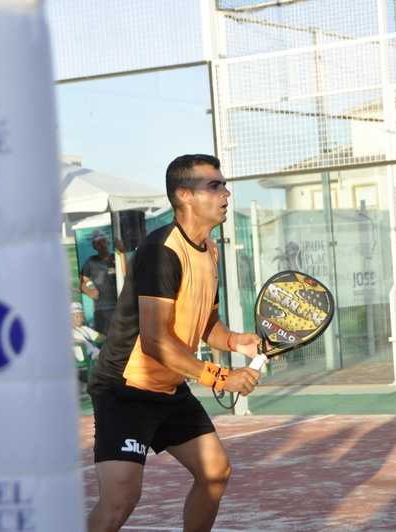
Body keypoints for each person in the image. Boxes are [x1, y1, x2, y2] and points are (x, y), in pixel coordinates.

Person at [87, 154, 261, 532]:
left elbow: (205, 320)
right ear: (184, 195)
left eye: (224, 184)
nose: (226, 193)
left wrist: (233, 340)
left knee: (215, 472)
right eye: (214, 186)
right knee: (120, 502)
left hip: (168, 387)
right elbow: (154, 341)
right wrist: (220, 377)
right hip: (125, 389)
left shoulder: (209, 249)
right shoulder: (160, 251)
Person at [80, 230, 118, 334]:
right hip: (101, 309)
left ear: (108, 242)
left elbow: (126, 274)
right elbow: (83, 282)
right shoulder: (90, 261)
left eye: (103, 241)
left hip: (119, 306)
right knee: (104, 340)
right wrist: (90, 290)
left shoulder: (117, 258)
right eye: (98, 243)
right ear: (94, 246)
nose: (101, 245)